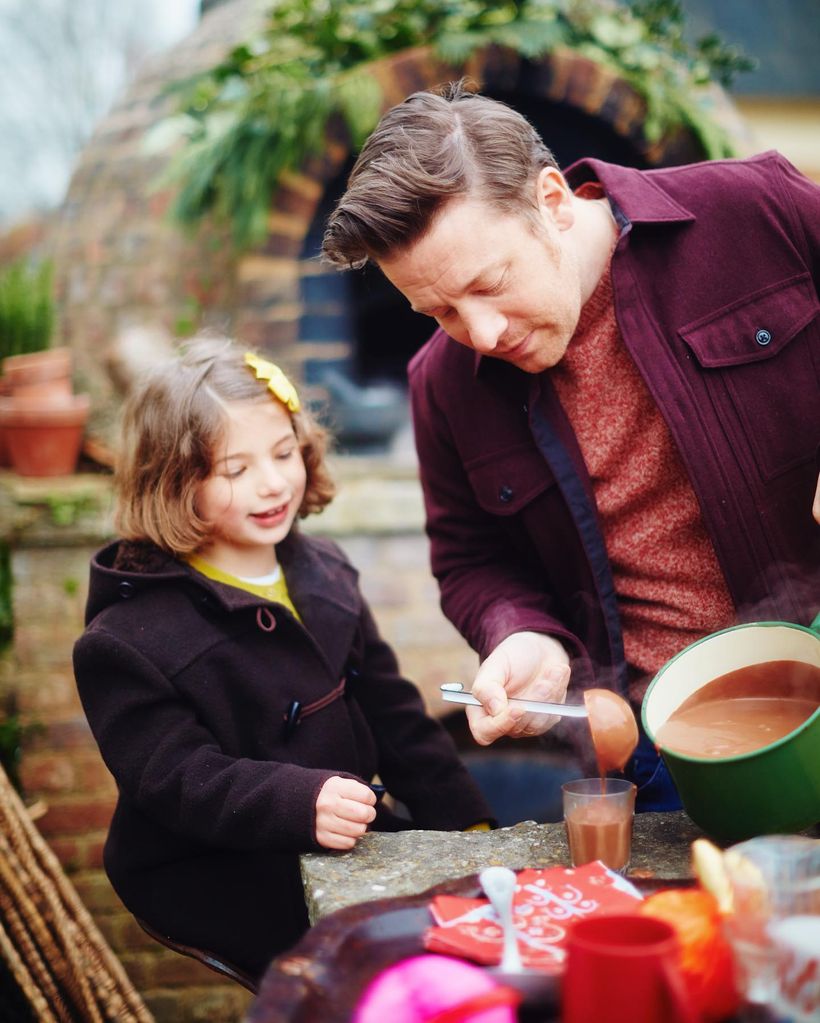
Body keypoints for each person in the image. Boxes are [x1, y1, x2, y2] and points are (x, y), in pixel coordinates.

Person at [321, 81, 820, 811]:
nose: (481, 335)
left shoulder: (754, 211)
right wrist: (525, 637)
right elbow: (471, 561)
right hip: (666, 762)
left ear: (552, 199)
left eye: (488, 284)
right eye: (440, 313)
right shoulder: (442, 386)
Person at [73, 336, 492, 981]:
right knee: (363, 972)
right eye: (235, 470)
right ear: (173, 482)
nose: (272, 484)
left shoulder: (325, 571)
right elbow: (177, 777)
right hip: (220, 870)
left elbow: (392, 712)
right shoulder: (125, 639)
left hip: (350, 832)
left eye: (283, 453)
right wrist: (297, 803)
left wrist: (466, 823)